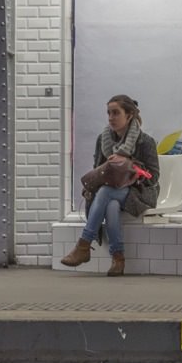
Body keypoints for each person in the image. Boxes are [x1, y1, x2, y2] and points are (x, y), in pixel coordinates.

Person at [61, 95, 160, 276]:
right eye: (108, 113)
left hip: (139, 192)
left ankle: (84, 245)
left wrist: (128, 163)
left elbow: (153, 178)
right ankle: (118, 258)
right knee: (111, 205)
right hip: (111, 193)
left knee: (107, 192)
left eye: (116, 113)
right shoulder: (103, 139)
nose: (111, 118)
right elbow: (98, 168)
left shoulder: (145, 141)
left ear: (129, 115)